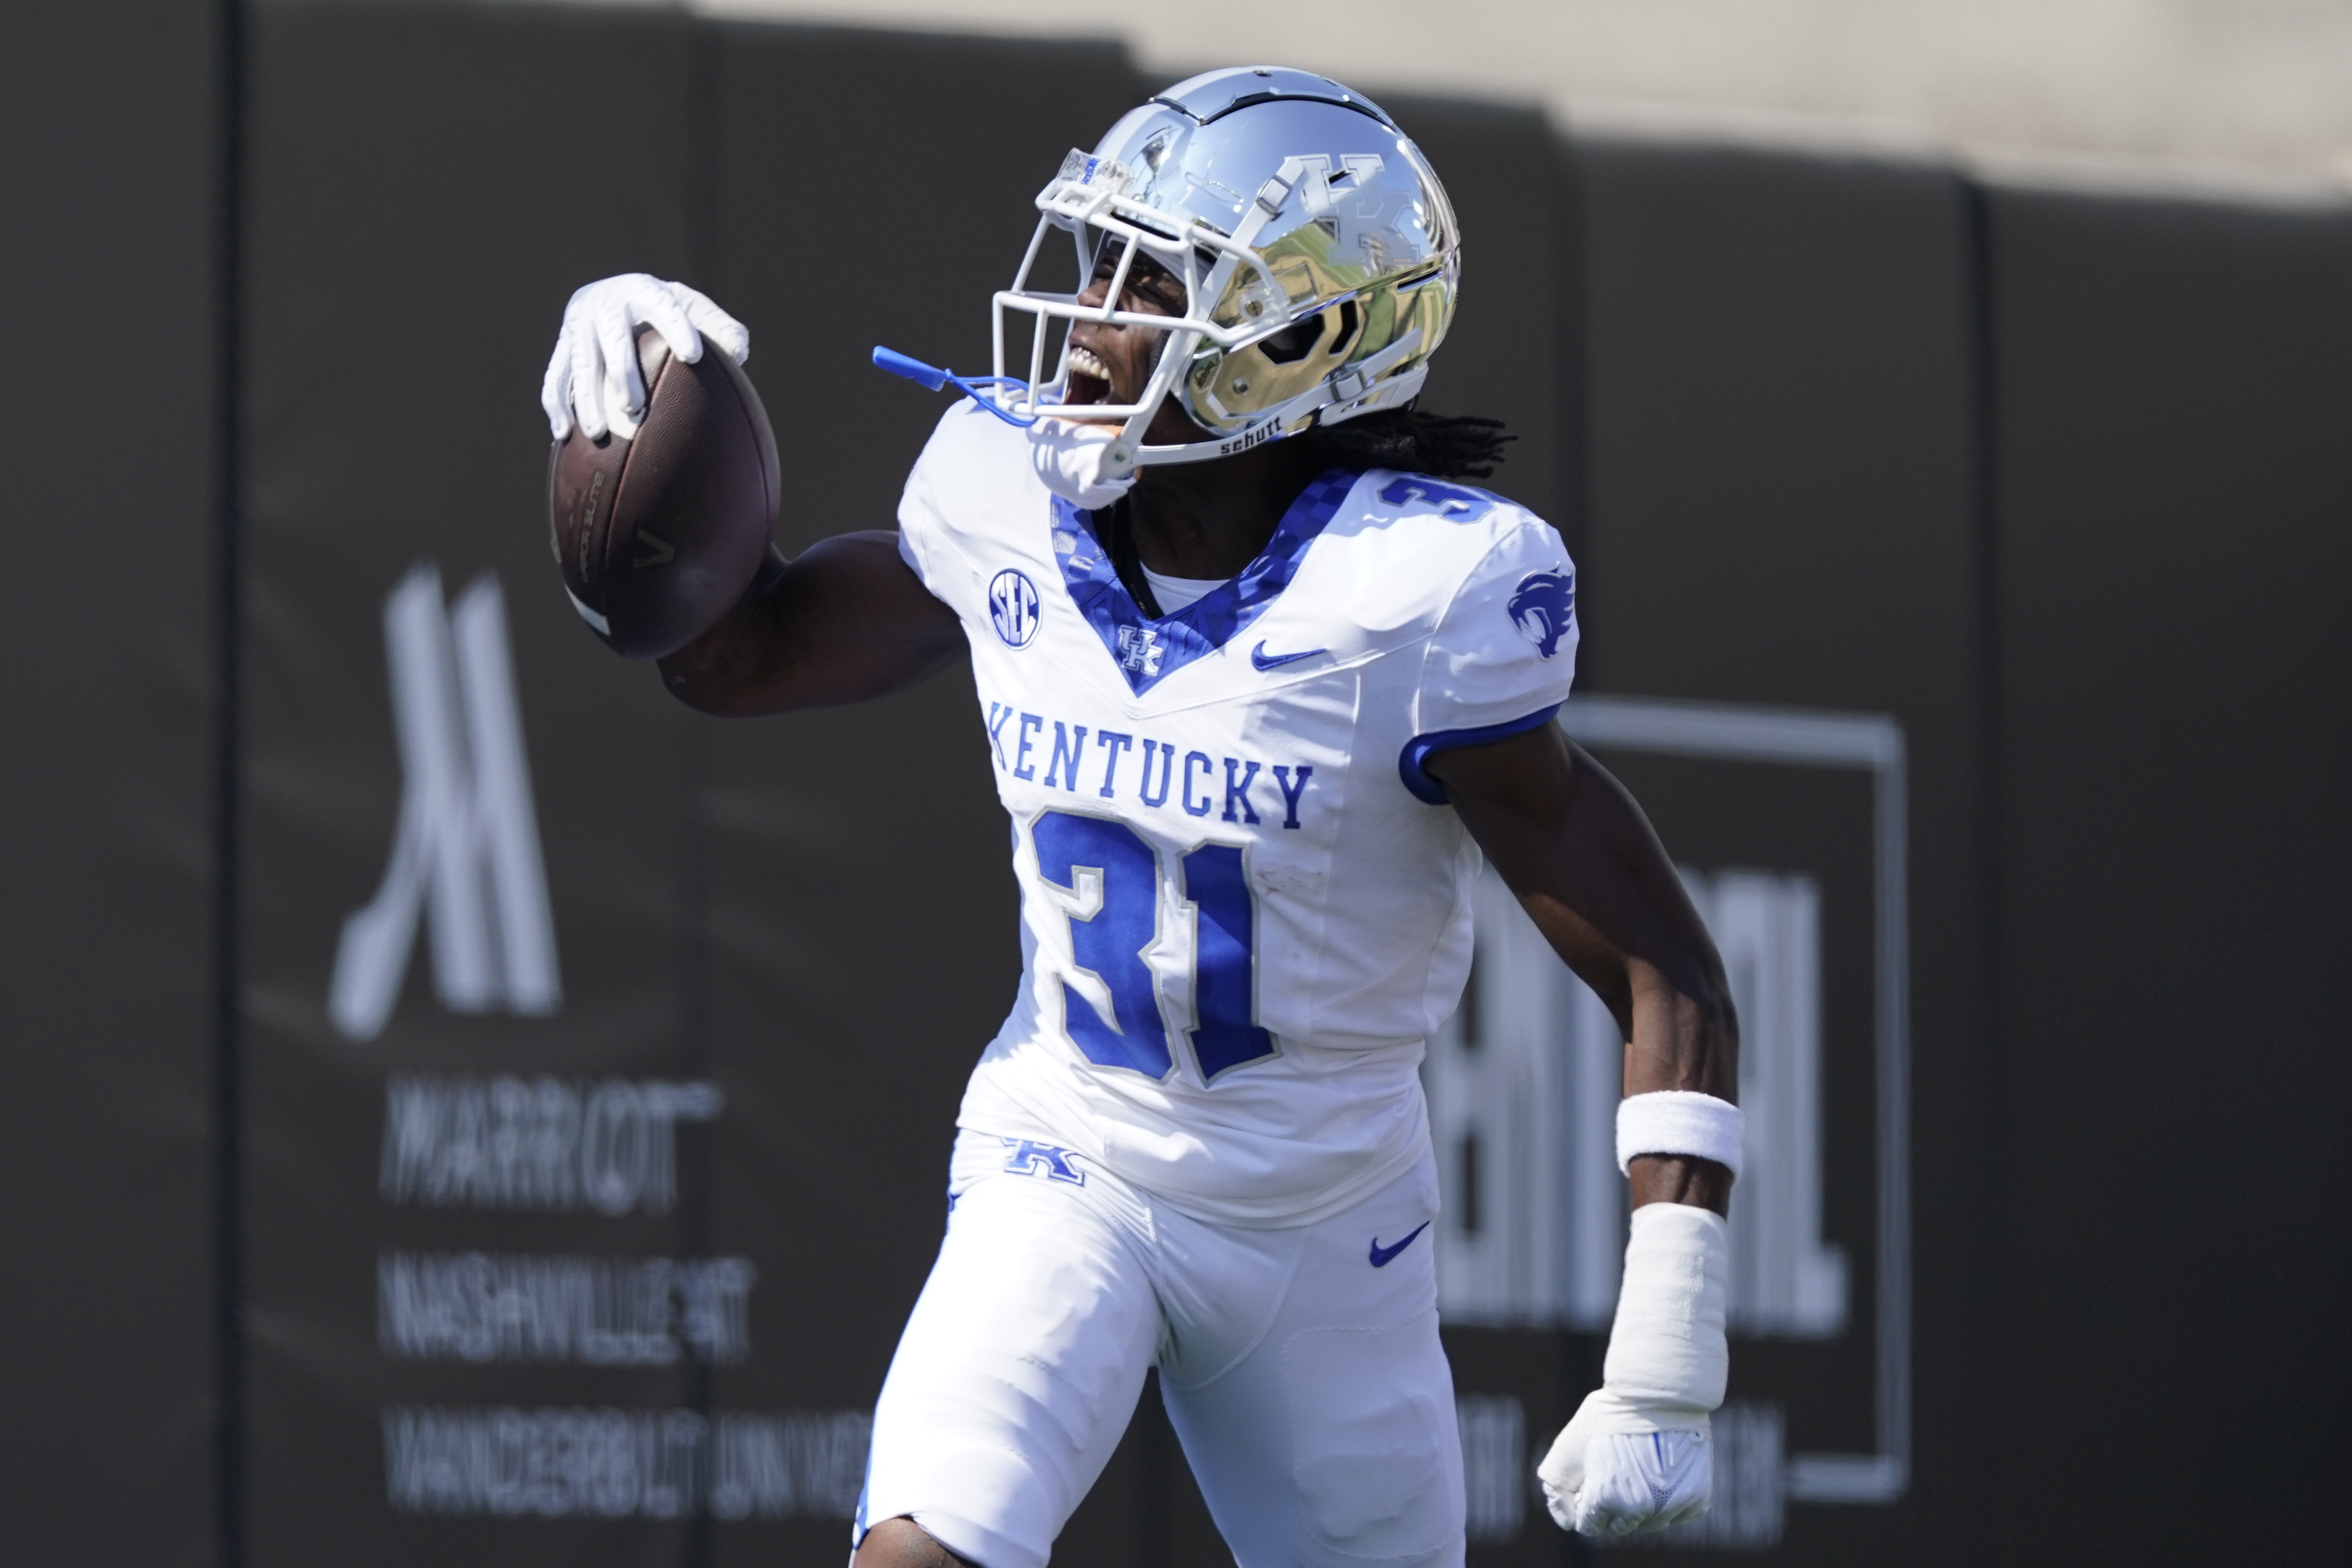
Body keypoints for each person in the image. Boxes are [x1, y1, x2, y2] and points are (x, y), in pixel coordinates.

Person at [543, 67, 1742, 1568]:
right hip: (1069, 1159)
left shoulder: (1422, 600)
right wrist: (642, 434)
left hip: (1322, 1229)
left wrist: (1667, 1341)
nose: (1088, 316)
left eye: (1144, 278)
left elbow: (1661, 969)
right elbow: (731, 660)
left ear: (1298, 341)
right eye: (1094, 260)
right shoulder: (1001, 497)